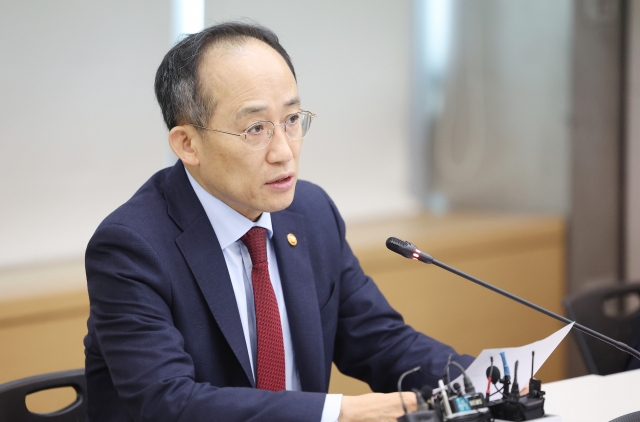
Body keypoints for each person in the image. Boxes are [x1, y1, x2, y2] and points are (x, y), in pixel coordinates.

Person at [84, 22, 473, 422]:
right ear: (188, 144)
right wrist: (340, 413)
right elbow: (168, 403)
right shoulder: (131, 247)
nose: (284, 152)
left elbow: (381, 342)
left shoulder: (311, 213)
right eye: (255, 129)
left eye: (291, 120)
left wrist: (480, 382)